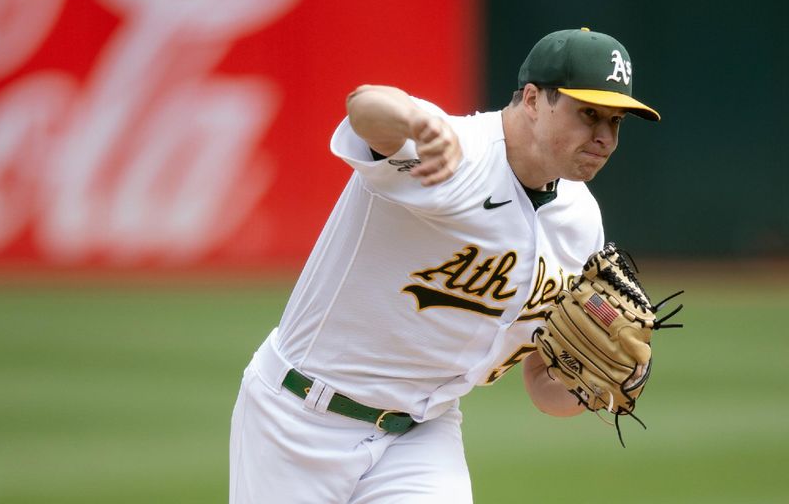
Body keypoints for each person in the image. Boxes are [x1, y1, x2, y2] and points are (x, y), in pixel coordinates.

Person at [229, 27, 660, 503]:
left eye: (616, 122)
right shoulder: (456, 151)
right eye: (589, 114)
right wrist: (414, 118)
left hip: (421, 434)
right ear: (534, 100)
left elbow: (543, 381)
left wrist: (595, 386)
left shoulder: (579, 222)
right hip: (298, 418)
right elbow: (365, 108)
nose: (604, 137)